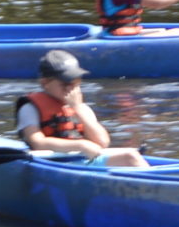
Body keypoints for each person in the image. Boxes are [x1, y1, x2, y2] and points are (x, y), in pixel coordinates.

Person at [14, 51, 149, 168]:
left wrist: (77, 108)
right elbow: (37, 143)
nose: (71, 88)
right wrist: (80, 145)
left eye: (75, 83)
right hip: (50, 164)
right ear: (45, 83)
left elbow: (102, 142)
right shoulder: (30, 108)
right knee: (130, 158)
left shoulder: (80, 107)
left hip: (80, 161)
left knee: (132, 156)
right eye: (65, 84)